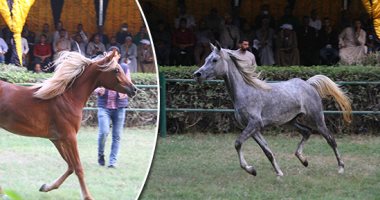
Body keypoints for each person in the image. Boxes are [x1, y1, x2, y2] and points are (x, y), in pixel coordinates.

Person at [95, 46, 130, 168]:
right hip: (104, 106)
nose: (113, 56)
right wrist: (98, 90)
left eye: (116, 54)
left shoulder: (124, 68)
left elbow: (128, 83)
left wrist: (124, 93)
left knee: (117, 136)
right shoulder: (103, 68)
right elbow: (94, 84)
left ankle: (112, 162)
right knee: (104, 132)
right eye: (111, 53)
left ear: (119, 56)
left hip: (119, 107)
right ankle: (100, 154)